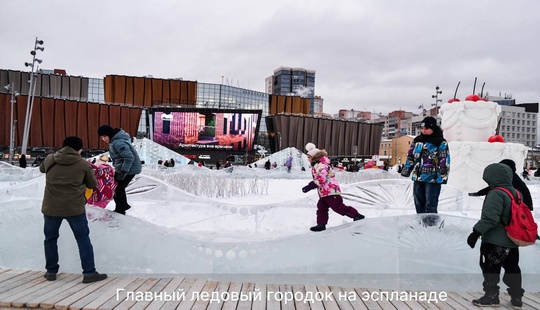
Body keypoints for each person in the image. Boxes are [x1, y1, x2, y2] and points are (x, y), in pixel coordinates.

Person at [39, 136, 107, 283]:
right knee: (83, 239)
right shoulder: (83, 164)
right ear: (79, 149)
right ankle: (89, 273)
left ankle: (51, 272)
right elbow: (92, 184)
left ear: (63, 147)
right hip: (74, 208)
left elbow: (42, 168)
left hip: (51, 207)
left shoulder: (51, 159)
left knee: (50, 239)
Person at [466, 163, 524, 308]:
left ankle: (491, 296)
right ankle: (516, 297)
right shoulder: (516, 193)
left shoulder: (496, 193)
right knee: (512, 268)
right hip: (512, 239)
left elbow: (490, 218)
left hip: (494, 240)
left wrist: (476, 232)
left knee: (491, 268)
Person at [302, 143, 365, 232]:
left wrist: (309, 186)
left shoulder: (321, 165)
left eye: (309, 157)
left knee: (338, 207)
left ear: (314, 157)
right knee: (321, 207)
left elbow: (321, 178)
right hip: (325, 192)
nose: (308, 159)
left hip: (331, 191)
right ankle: (321, 224)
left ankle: (356, 215)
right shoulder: (317, 165)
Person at [401, 116, 450, 215]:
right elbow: (410, 156)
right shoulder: (417, 140)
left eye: (426, 129)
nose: (423, 131)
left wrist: (443, 176)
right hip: (418, 176)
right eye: (422, 128)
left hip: (432, 178)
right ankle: (420, 223)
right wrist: (407, 170)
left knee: (430, 202)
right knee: (418, 202)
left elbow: (444, 160)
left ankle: (431, 225)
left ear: (433, 128)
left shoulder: (440, 141)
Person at [97, 125, 142, 215]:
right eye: (101, 137)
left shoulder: (118, 143)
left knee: (117, 188)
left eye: (104, 136)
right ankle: (122, 206)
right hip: (124, 168)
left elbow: (129, 158)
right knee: (116, 187)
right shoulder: (115, 141)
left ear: (109, 135)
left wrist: (123, 172)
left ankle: (121, 209)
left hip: (129, 169)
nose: (103, 139)